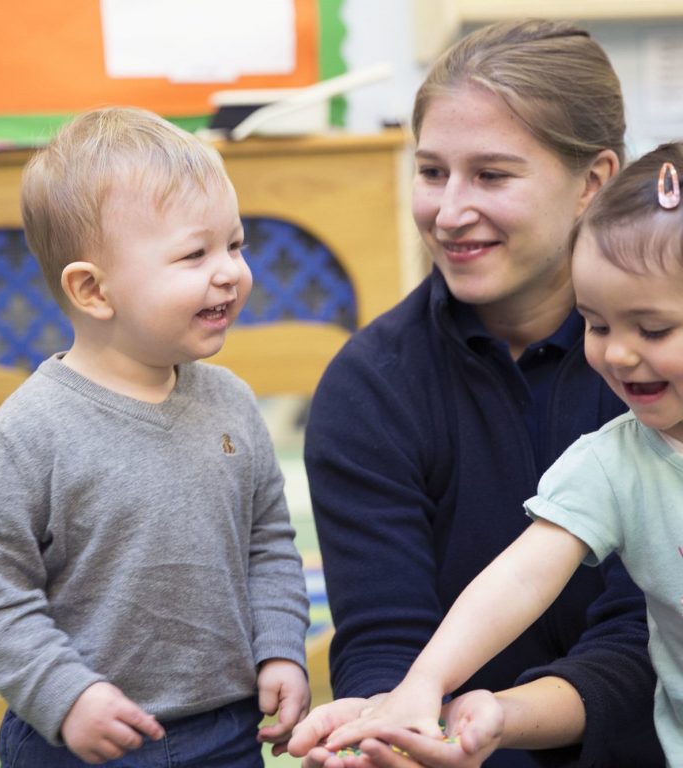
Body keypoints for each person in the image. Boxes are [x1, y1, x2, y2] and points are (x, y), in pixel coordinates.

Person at [287, 18, 666, 768]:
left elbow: (651, 641)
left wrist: (492, 721)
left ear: (593, 181)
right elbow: (384, 639)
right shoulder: (370, 387)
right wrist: (392, 732)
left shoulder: (656, 375)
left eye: (491, 175)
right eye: (432, 172)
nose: (449, 211)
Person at [0, 106, 310, 768]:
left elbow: (268, 544)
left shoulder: (230, 401)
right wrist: (66, 697)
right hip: (80, 740)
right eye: (194, 253)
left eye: (236, 245)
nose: (229, 271)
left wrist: (283, 644)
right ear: (93, 289)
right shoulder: (30, 432)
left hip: (227, 731)